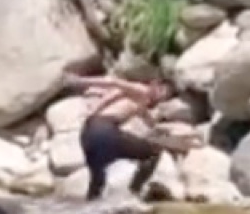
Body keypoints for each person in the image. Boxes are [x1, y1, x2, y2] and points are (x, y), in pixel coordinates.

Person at [62, 73, 201, 201]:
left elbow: (150, 123)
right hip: (104, 131)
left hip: (88, 133)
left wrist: (179, 135)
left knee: (97, 180)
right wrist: (80, 81)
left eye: (166, 97)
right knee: (153, 153)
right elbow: (113, 81)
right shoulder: (142, 90)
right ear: (154, 84)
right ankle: (133, 193)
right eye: (163, 91)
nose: (161, 98)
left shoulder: (138, 101)